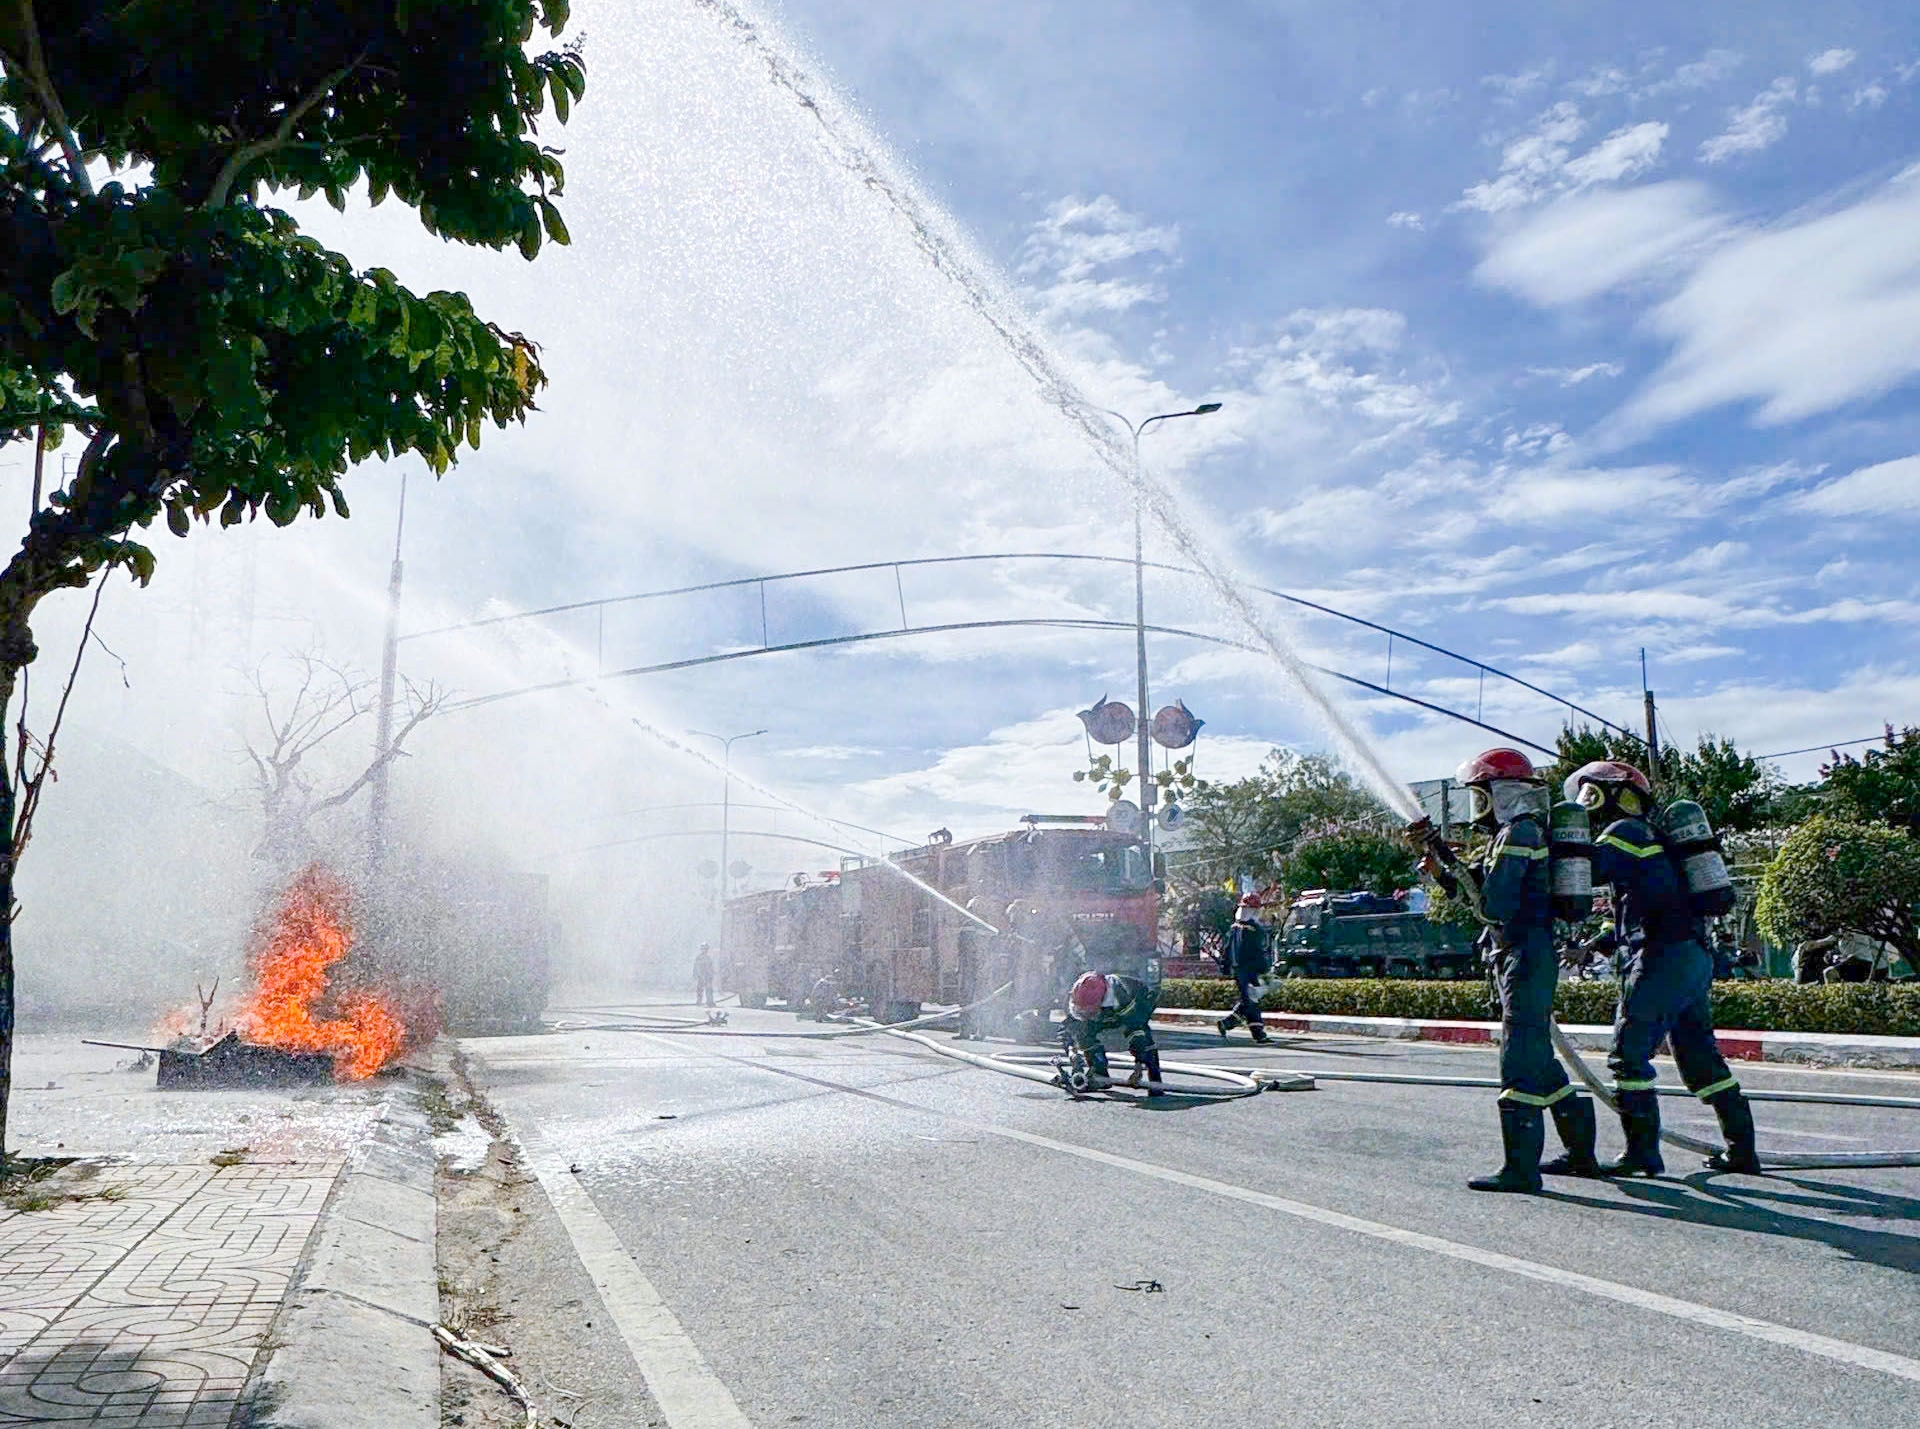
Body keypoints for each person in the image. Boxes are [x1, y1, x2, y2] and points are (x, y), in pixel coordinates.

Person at [1410, 747, 1599, 1192]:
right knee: (1540, 1060)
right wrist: (1438, 860)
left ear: (1502, 794)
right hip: (1520, 955)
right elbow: (1470, 890)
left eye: (1481, 796)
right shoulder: (1511, 836)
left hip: (1526, 956)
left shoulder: (1520, 834)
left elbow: (1493, 903)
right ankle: (1581, 1155)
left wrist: (1453, 863)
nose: (1477, 808)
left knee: (1517, 1059)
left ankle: (1521, 1170)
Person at [1567, 760, 1760, 1176]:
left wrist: (1558, 846)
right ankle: (1742, 1149)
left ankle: (1642, 1154)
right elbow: (1646, 904)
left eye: (1588, 796)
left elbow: (1589, 870)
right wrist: (1596, 944)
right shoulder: (1657, 841)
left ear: (1603, 795)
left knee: (1628, 1056)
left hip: (1660, 959)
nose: (1585, 807)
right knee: (1697, 1056)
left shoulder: (1624, 833)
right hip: (1691, 956)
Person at [1064, 970, 1165, 1096]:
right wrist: (1072, 1047)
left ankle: (1155, 1082)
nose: (1087, 1015)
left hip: (1141, 1000)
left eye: (1090, 1011)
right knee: (1084, 1033)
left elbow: (1135, 1029)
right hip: (1110, 1007)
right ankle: (1099, 1074)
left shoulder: (1123, 999)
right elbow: (1070, 1026)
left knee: (1142, 1038)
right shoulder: (1081, 991)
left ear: (1101, 1002)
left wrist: (1138, 1067)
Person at [1216, 895, 1272, 1044]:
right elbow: (1257, 952)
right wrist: (1264, 968)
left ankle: (1234, 1026)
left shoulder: (1234, 928)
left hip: (1239, 971)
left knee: (1249, 1001)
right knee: (1251, 1001)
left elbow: (1227, 951)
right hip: (1250, 970)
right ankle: (1257, 1034)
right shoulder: (1253, 929)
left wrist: (1225, 967)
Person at [693, 943, 716, 1008]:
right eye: (703, 949)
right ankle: (699, 1001)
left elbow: (711, 967)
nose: (705, 950)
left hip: (707, 976)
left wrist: (712, 974)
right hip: (701, 976)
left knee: (709, 990)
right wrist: (697, 975)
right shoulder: (699, 958)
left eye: (706, 949)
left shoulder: (708, 958)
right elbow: (696, 967)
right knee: (700, 989)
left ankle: (709, 1001)